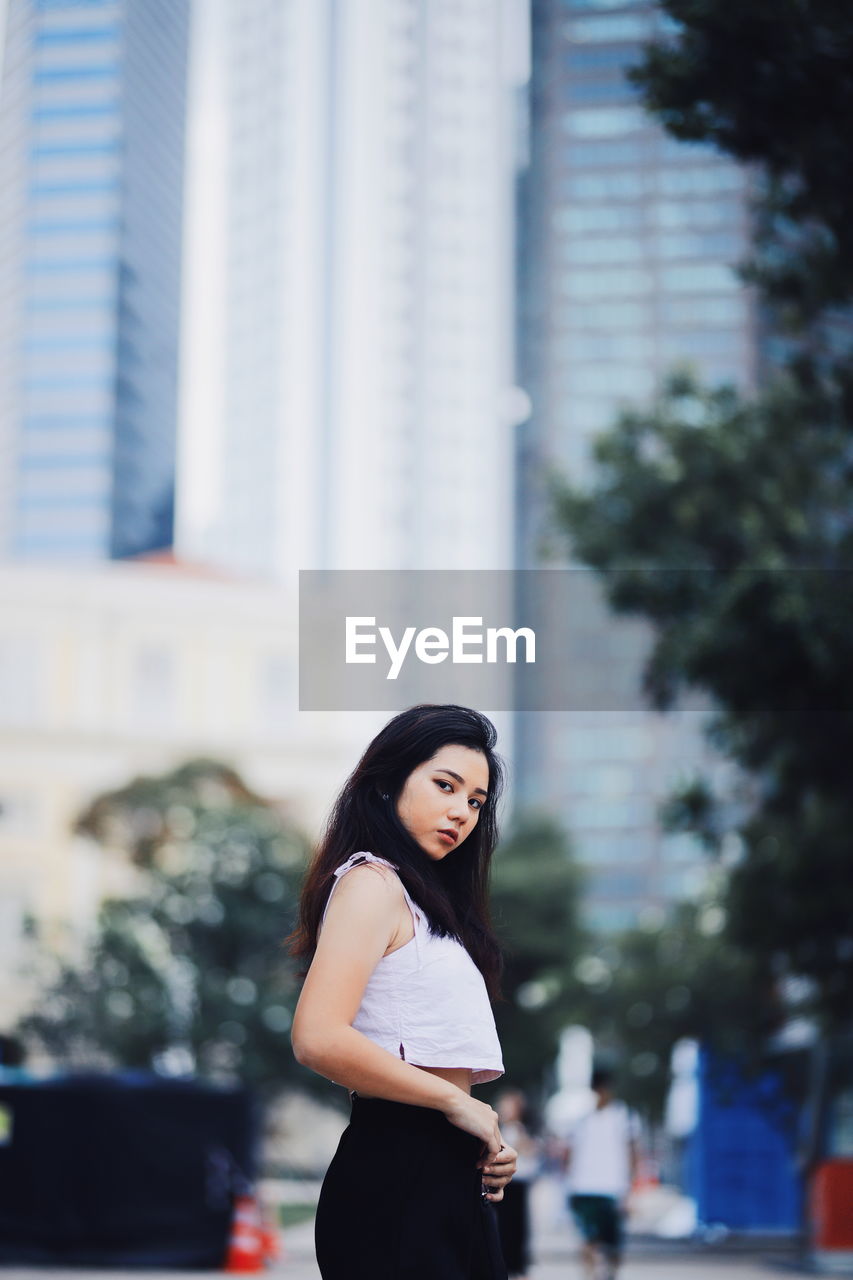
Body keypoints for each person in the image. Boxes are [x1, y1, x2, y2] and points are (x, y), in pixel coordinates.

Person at [289, 704, 518, 1279]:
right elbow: (317, 1037)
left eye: (475, 802)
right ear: (390, 781)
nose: (461, 812)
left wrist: (481, 1135)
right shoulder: (371, 884)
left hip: (450, 1175)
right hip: (397, 1171)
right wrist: (455, 1102)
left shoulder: (427, 904)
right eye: (445, 785)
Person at [564, 1067, 640, 1280]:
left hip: (613, 1188)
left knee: (613, 1244)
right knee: (587, 1240)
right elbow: (569, 1153)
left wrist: (632, 1189)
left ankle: (609, 1274)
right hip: (583, 1187)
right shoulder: (580, 1118)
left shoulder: (624, 1116)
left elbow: (633, 1153)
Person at [494, 1088, 539, 1279]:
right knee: (502, 1225)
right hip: (502, 1182)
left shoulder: (521, 1130)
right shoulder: (498, 1128)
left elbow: (529, 1151)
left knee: (517, 1226)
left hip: (518, 1182)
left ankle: (517, 1262)